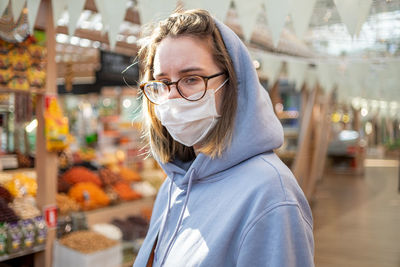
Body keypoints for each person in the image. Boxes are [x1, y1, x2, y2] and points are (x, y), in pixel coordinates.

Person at [133, 9, 314, 267]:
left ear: (232, 84)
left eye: (191, 79)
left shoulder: (271, 195)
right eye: (162, 82)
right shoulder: (175, 183)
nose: (171, 97)